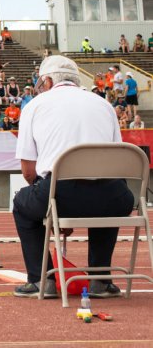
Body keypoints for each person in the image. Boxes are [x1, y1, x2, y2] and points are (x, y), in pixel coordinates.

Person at [11, 55, 135, 298]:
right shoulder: (103, 104)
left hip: (60, 192)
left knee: (21, 204)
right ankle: (100, 279)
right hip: (114, 196)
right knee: (107, 199)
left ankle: (41, 280)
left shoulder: (35, 106)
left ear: (46, 81)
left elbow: (28, 170)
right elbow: (118, 159)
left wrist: (51, 207)